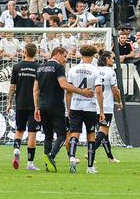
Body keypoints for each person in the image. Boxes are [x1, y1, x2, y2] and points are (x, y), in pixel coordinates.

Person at [34, 46, 92, 173]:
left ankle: (47, 164)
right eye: (65, 56)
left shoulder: (40, 67)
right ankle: (51, 156)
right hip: (56, 106)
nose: (65, 60)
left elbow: (35, 90)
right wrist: (81, 91)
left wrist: (36, 107)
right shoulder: (58, 67)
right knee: (62, 134)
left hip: (43, 106)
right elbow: (63, 85)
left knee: (48, 136)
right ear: (58, 54)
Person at [65, 44, 102, 174]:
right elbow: (98, 92)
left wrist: (68, 108)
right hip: (90, 107)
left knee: (74, 133)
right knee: (91, 136)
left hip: (75, 106)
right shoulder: (96, 70)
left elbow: (68, 91)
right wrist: (101, 111)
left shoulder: (72, 70)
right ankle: (90, 167)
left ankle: (72, 157)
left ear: (81, 55)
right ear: (93, 56)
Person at [6, 42, 40, 170]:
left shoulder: (17, 67)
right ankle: (30, 163)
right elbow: (39, 88)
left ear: (24, 52)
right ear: (35, 53)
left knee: (19, 130)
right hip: (34, 105)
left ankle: (16, 149)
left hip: (20, 103)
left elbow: (12, 87)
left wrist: (9, 103)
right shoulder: (38, 67)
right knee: (32, 133)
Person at [94, 51, 122, 163]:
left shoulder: (95, 70)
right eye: (112, 58)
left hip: (94, 105)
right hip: (105, 106)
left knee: (103, 133)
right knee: (103, 131)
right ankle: (89, 151)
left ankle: (110, 157)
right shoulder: (110, 71)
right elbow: (115, 90)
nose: (113, 60)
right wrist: (119, 102)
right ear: (106, 59)